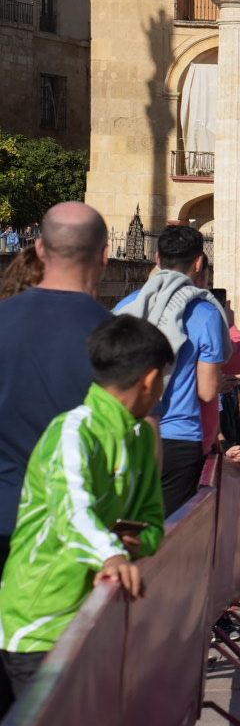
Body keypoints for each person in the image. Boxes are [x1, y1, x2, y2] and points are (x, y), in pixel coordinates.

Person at [0, 316, 172, 709]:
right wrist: (111, 552)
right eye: (163, 380)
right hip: (41, 624)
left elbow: (153, 522)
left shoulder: (141, 436)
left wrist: (135, 542)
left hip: (96, 620)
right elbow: (72, 511)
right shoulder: (73, 431)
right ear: (149, 380)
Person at [0, 203, 112, 577]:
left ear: (41, 249)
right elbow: (142, 444)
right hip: (78, 530)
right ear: (104, 255)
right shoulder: (121, 340)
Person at [115, 225, 231, 515]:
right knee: (165, 540)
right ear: (199, 263)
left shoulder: (127, 307)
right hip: (179, 438)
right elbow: (206, 391)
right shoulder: (206, 314)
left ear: (157, 258)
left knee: (119, 526)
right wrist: (221, 382)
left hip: (126, 432)